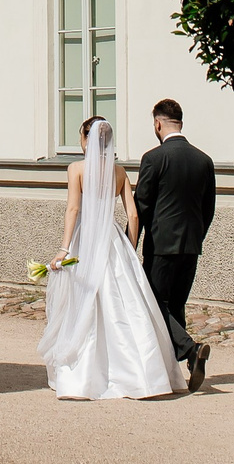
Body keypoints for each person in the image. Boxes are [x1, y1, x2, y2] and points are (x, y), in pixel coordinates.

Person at [38, 116, 185, 400]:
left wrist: (65, 248)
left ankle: (85, 376)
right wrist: (129, 248)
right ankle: (143, 374)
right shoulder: (119, 172)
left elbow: (73, 210)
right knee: (126, 304)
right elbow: (132, 215)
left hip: (87, 238)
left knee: (84, 302)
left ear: (85, 140)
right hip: (113, 238)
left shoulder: (76, 169)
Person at [132, 98, 216, 390]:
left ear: (158, 123)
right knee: (175, 305)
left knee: (154, 302)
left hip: (161, 245)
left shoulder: (153, 158)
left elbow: (141, 206)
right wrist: (196, 237)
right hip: (191, 244)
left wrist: (132, 243)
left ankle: (191, 349)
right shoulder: (203, 160)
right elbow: (209, 208)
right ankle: (180, 369)